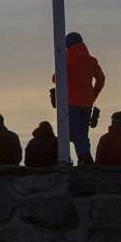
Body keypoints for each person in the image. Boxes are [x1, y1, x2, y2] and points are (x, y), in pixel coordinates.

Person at [51, 32, 105, 164]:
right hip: (87, 102)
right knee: (82, 133)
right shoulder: (92, 60)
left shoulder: (65, 59)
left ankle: (85, 156)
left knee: (72, 131)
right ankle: (84, 158)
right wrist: (93, 94)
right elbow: (101, 79)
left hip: (71, 101)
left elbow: (56, 79)